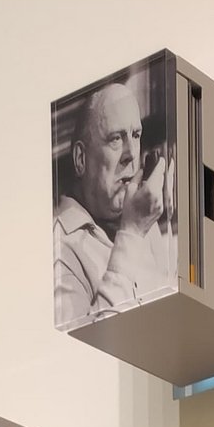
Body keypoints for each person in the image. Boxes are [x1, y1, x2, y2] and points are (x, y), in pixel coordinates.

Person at [53, 77, 174, 330]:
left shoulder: (145, 223)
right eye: (116, 139)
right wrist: (130, 233)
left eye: (136, 135)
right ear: (80, 159)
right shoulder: (59, 250)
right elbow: (85, 349)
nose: (131, 153)